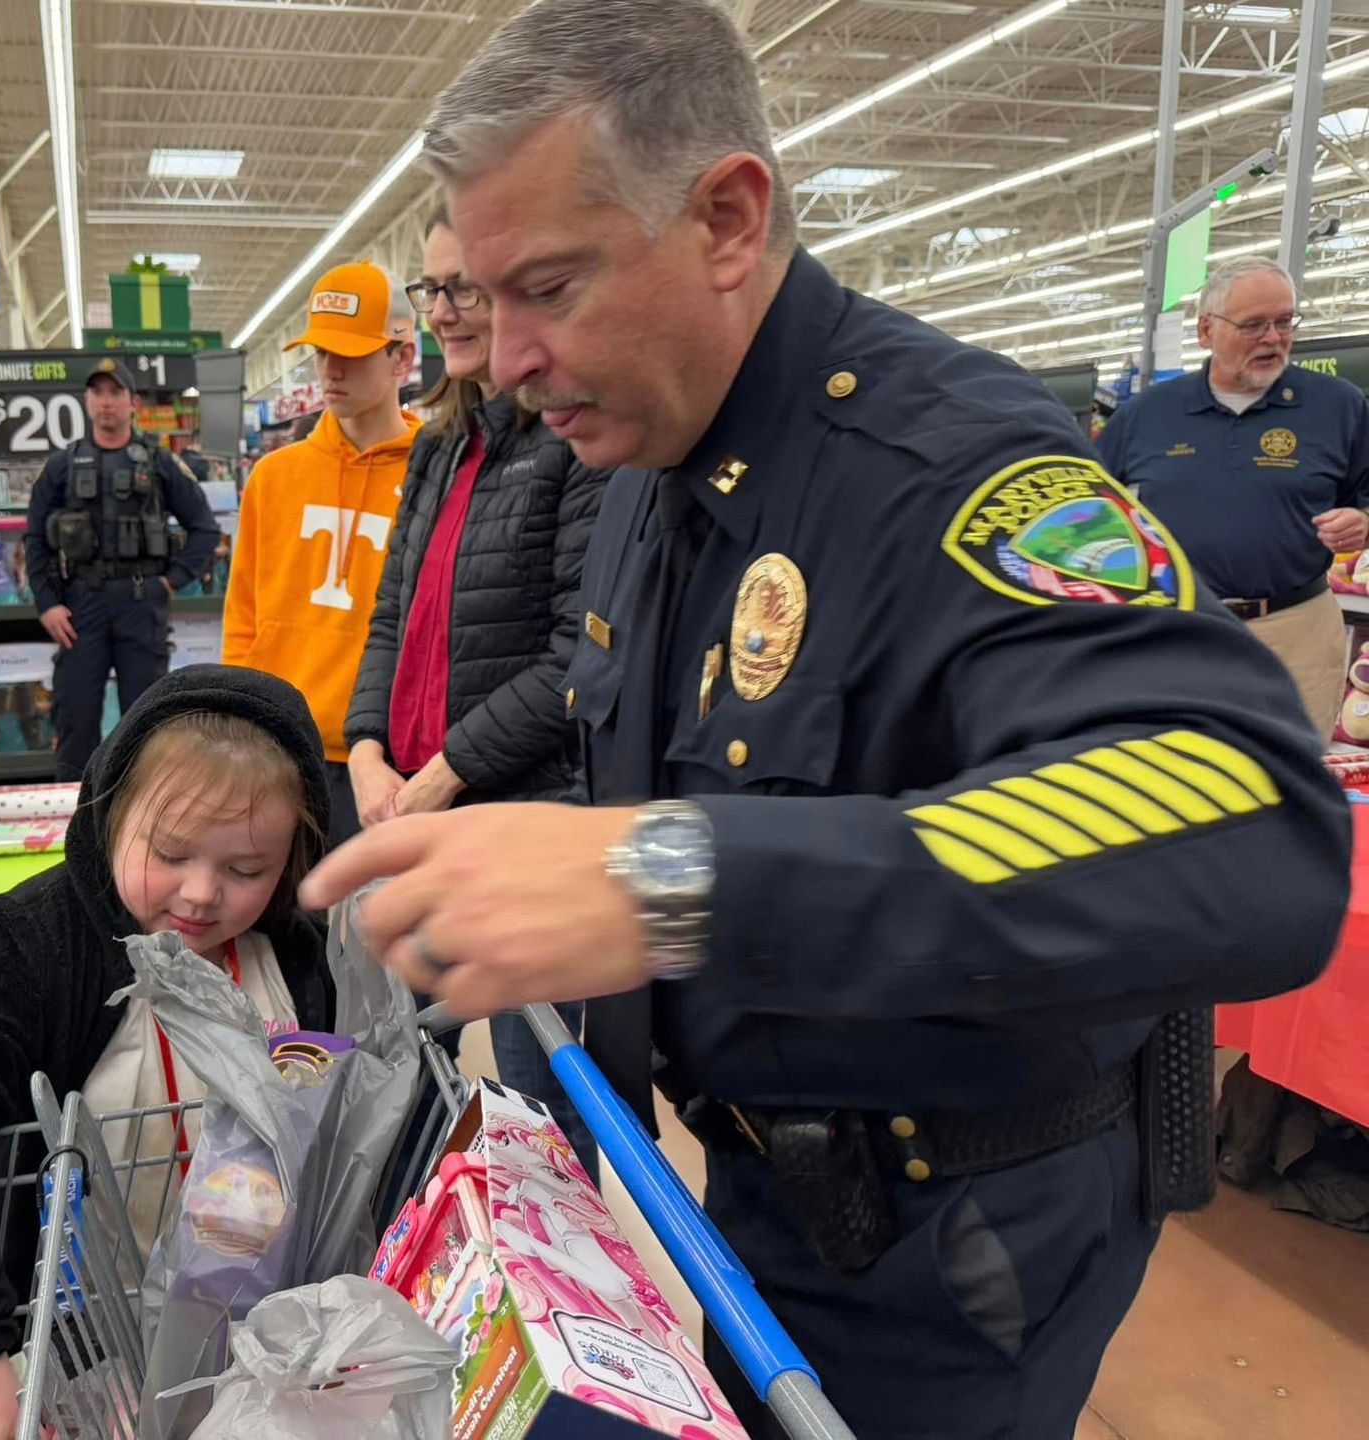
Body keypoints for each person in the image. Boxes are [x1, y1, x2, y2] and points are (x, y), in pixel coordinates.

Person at [300, 3, 1353, 1435]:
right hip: (753, 1208)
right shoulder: (653, 468)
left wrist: (669, 883)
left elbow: (1252, 827)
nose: (508, 355)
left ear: (729, 218)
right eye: (485, 302)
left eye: (549, 286)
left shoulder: (955, 472)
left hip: (957, 1241)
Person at [0, 665, 334, 1440]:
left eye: (246, 870)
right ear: (108, 814)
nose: (201, 895)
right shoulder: (37, 945)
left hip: (262, 1335)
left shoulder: (297, 957)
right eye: (169, 853)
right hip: (68, 1347)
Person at [344, 208, 606, 1178]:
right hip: (414, 810)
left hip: (525, 821)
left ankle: (562, 1298)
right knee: (407, 1071)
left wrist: (446, 773)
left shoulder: (573, 448)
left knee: (547, 1097)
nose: (445, 311)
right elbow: (390, 620)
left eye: (465, 288)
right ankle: (426, 1256)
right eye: (434, 289)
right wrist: (368, 748)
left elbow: (575, 659)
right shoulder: (439, 447)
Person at [1099, 256, 1369, 735]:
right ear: (1206, 331)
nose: (1273, 338)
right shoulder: (1145, 416)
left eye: (1284, 321)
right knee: (1171, 768)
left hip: (1297, 630)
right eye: (1253, 325)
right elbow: (1091, 508)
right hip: (1173, 628)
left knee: (1289, 776)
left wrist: (1364, 521)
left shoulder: (1340, 406)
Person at [223, 261, 422, 843]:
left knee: (374, 928)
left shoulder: (435, 474)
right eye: (320, 351)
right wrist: (237, 734)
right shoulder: (273, 476)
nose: (331, 369)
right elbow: (243, 619)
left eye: (351, 352)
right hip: (278, 751)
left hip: (385, 762)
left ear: (401, 357)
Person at [24, 358, 220, 782]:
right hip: (81, 608)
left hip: (140, 604)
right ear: (86, 401)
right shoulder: (62, 467)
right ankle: (72, 817)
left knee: (147, 721)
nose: (105, 402)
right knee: (75, 714)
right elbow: (36, 540)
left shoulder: (159, 463)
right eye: (97, 392)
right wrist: (47, 605)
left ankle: (145, 809)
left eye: (115, 393)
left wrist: (170, 581)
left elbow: (205, 529)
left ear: (133, 403)